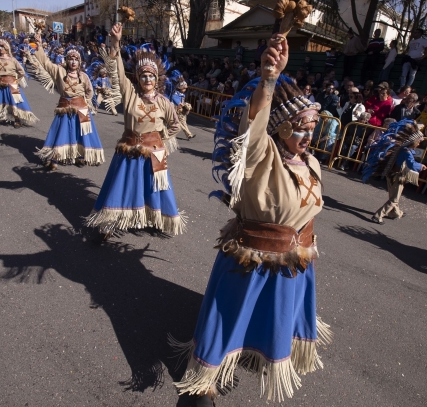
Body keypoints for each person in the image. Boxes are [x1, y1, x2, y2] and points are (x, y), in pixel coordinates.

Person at [173, 33, 332, 406]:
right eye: (301, 126)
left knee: (271, 318)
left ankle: (257, 353)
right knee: (230, 319)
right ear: (280, 129)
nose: (309, 133)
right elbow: (255, 123)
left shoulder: (311, 162)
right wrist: (270, 80)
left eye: (313, 126)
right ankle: (204, 382)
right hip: (252, 259)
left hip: (294, 260)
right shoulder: (262, 155)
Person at [85, 23, 184, 239]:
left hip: (154, 152)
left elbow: (175, 124)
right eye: (143, 76)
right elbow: (118, 72)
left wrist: (162, 138)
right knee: (121, 187)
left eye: (151, 76)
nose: (147, 80)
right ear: (138, 78)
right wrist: (115, 43)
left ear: (156, 79)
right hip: (129, 148)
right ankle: (110, 222)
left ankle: (156, 218)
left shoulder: (164, 102)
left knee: (154, 189)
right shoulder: (130, 95)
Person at [33, 33, 104, 170]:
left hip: (81, 110)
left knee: (80, 133)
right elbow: (46, 63)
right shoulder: (59, 71)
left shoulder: (83, 76)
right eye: (70, 59)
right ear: (66, 60)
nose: (73, 62)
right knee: (61, 133)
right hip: (64, 108)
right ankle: (55, 159)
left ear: (79, 62)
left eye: (76, 59)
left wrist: (86, 103)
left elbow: (89, 91)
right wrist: (40, 46)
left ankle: (80, 155)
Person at [363, 119, 426, 224]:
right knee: (394, 199)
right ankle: (378, 216)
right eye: (419, 142)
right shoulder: (407, 152)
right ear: (414, 142)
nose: (419, 144)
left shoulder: (401, 149)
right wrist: (421, 166)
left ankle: (396, 213)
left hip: (391, 174)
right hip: (398, 177)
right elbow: (411, 164)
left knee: (393, 196)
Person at [0, 39, 38, 129]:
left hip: (11, 85)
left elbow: (21, 72)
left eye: (2, 47)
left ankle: (17, 120)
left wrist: (16, 81)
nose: (0, 48)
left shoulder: (13, 60)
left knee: (14, 102)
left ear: (6, 48)